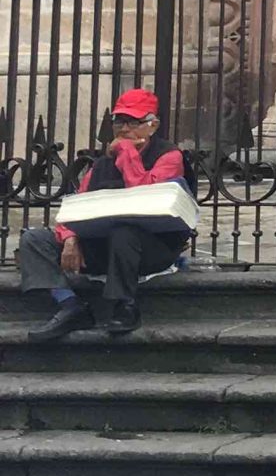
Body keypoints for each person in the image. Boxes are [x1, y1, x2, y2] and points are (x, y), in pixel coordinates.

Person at [18, 89, 192, 340]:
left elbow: (144, 195)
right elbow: (78, 204)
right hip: (102, 247)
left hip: (151, 248)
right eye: (119, 121)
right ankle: (70, 305)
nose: (124, 129)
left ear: (153, 125)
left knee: (124, 232)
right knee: (33, 240)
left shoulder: (169, 156)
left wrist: (127, 153)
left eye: (134, 122)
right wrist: (70, 238)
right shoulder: (101, 164)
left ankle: (124, 304)